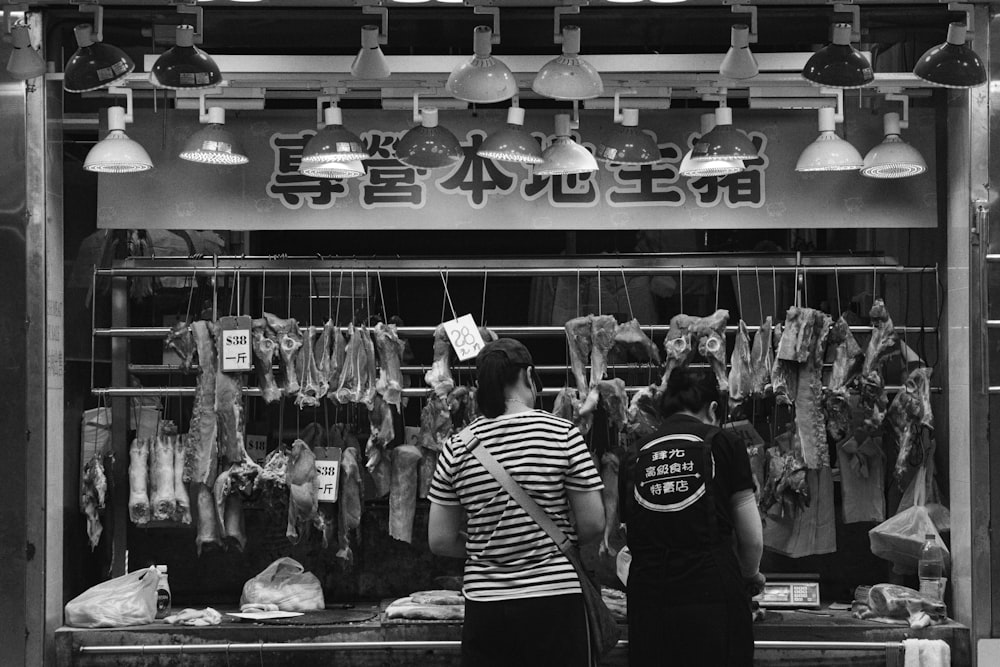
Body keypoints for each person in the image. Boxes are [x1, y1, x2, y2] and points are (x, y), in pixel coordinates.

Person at [427, 338, 606, 667]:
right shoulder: (562, 434)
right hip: (555, 600)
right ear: (529, 375)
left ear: (481, 385)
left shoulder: (457, 446)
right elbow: (594, 523)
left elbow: (439, 540)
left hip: (487, 606)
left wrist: (491, 546)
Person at [621, 367, 765, 667]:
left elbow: (632, 535)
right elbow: (751, 539)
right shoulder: (725, 443)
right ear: (713, 409)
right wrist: (750, 575)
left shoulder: (634, 455)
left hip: (649, 603)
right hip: (712, 599)